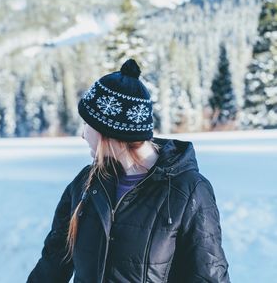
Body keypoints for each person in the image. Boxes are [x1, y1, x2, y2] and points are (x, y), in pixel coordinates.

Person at [27, 59, 230, 283]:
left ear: (108, 129)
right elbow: (52, 265)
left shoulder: (188, 190)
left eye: (87, 125)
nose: (83, 135)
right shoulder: (86, 183)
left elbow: (208, 276)